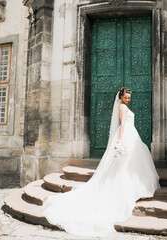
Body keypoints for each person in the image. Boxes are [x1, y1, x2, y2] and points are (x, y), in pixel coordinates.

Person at [42, 87, 160, 237]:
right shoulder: (122, 107)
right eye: (126, 98)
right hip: (126, 134)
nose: (127, 100)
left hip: (131, 134)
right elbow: (123, 124)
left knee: (127, 164)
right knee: (125, 164)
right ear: (121, 97)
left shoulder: (124, 106)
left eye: (129, 98)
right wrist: (120, 139)